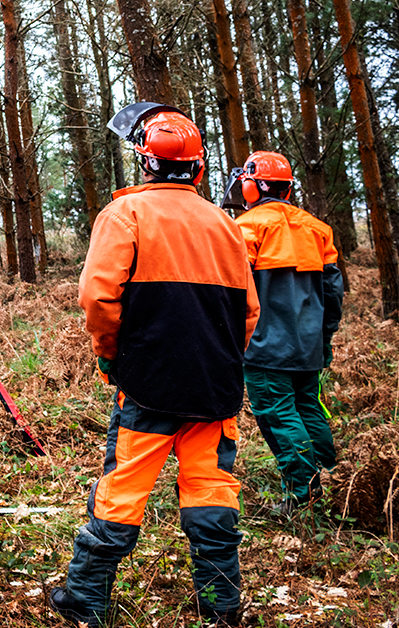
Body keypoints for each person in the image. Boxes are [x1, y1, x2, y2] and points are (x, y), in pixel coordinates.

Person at [51, 103, 260, 627]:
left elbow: (98, 300)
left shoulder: (125, 215)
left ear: (145, 162)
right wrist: (221, 359)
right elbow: (249, 312)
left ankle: (87, 598)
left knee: (122, 488)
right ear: (198, 166)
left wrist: (110, 356)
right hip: (214, 386)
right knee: (212, 490)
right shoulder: (226, 224)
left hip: (147, 384)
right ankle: (221, 604)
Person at [234, 151, 343, 514]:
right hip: (308, 343)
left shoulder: (246, 228)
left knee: (279, 414)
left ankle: (303, 495)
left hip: (264, 346)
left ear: (256, 184)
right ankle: (332, 477)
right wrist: (324, 337)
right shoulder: (317, 228)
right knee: (308, 406)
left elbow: (233, 293)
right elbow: (333, 292)